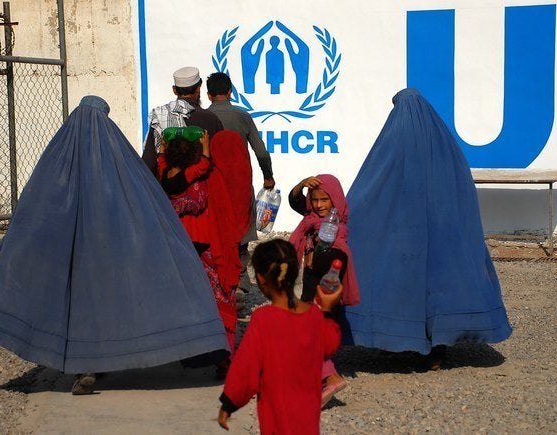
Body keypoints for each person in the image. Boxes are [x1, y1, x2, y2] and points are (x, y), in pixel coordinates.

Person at [0, 96, 229, 395]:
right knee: (109, 305)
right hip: (111, 250)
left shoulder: (57, 157)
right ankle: (118, 355)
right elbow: (148, 201)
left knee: (81, 305)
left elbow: (37, 207)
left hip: (75, 252)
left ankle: (86, 367)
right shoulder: (120, 156)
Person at [343, 88, 512, 369]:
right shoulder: (448, 147)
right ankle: (437, 351)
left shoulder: (394, 142)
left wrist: (352, 213)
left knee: (400, 284)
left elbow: (370, 187)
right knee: (440, 288)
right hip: (444, 234)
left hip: (403, 235)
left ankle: (397, 339)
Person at [217, 239, 342, 434]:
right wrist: (326, 309)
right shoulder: (314, 316)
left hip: (277, 414)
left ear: (261, 280)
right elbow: (330, 344)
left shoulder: (263, 319)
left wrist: (229, 403)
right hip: (307, 415)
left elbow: (246, 368)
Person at [157, 126, 247, 374]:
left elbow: (162, 161)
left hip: (178, 243)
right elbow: (204, 167)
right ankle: (223, 355)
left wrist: (163, 148)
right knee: (219, 294)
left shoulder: (165, 176)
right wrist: (206, 149)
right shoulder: (199, 180)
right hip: (204, 243)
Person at [288, 173, 360, 406]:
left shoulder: (334, 227)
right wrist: (301, 185)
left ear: (335, 200)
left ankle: (331, 378)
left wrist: (317, 258)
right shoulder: (311, 219)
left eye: (324, 200)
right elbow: (294, 200)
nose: (319, 205)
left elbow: (338, 256)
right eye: (315, 199)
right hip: (311, 290)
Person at [206, 71, 276, 300]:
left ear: (208, 94)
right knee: (241, 234)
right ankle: (241, 284)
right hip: (239, 185)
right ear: (230, 92)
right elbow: (261, 152)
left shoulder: (203, 118)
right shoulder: (242, 117)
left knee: (216, 232)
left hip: (211, 185)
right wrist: (268, 176)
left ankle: (217, 281)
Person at [142, 66, 223, 176]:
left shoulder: (160, 116)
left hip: (167, 189)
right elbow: (221, 160)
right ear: (199, 88)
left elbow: (148, 162)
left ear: (174, 90)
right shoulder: (211, 119)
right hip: (203, 190)